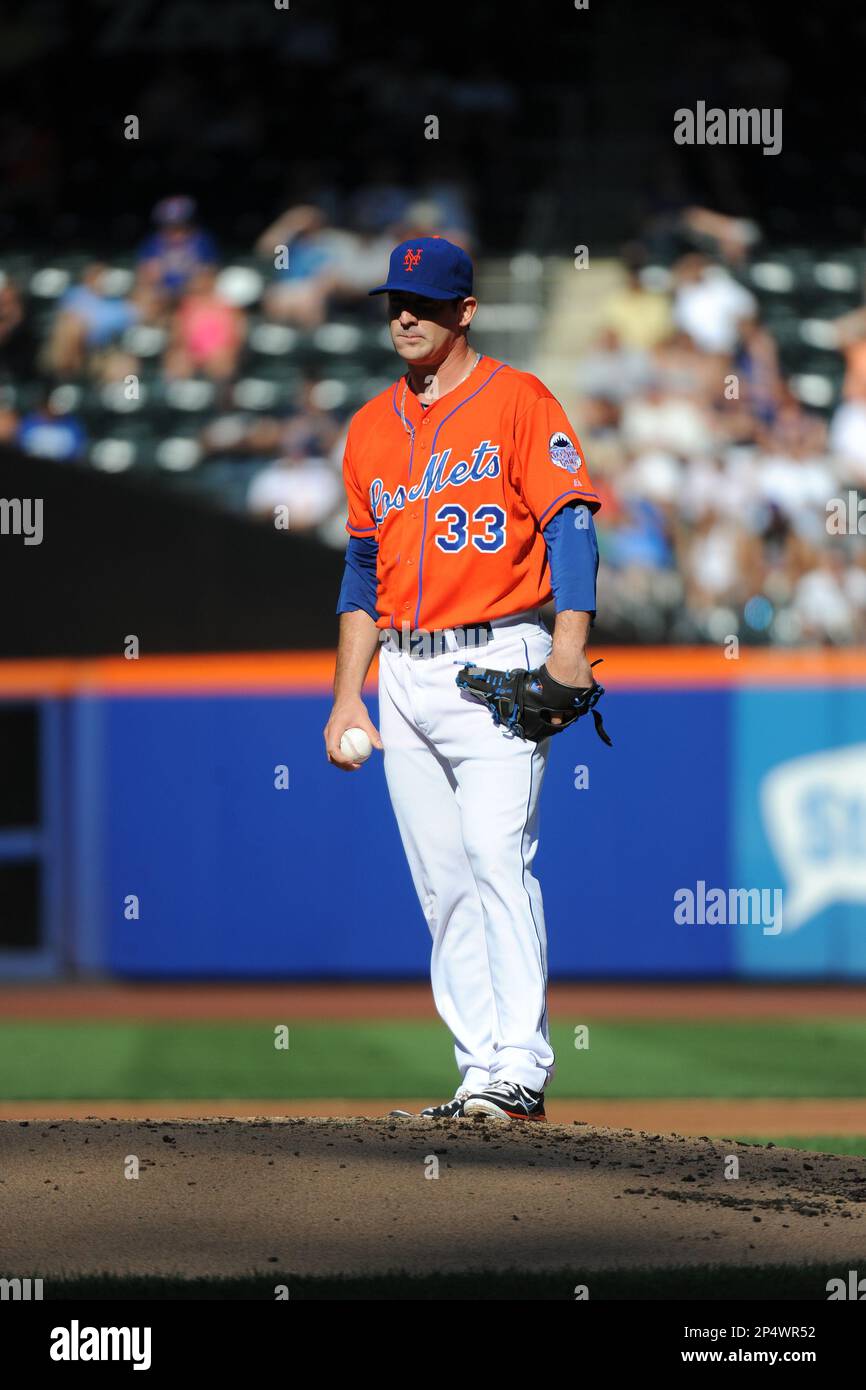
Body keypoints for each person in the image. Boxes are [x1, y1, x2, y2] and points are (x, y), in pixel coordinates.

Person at [324, 237, 606, 1123]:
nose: (405, 315)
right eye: (394, 301)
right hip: (402, 672)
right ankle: (479, 1070)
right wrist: (346, 695)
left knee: (496, 857)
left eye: (425, 301)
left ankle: (521, 1065)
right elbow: (362, 573)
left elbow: (573, 527)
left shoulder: (519, 401)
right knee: (442, 883)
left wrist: (568, 651)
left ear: (465, 312)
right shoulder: (369, 428)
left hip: (500, 659)